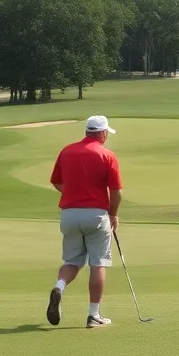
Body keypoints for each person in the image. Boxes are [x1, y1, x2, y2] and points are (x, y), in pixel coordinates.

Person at [46, 115, 122, 329]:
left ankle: (59, 287)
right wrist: (113, 214)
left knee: (71, 261)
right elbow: (116, 193)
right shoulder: (107, 155)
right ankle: (93, 315)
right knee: (98, 263)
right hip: (96, 215)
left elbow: (56, 182)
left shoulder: (67, 151)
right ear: (103, 133)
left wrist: (73, 194)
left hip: (69, 214)